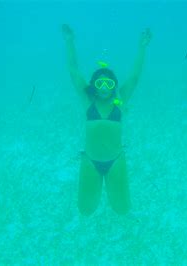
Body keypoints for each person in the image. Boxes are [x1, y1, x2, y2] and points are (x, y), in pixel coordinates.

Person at [62, 24, 152, 215]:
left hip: (116, 160)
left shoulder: (120, 100)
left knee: (123, 210)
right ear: (94, 85)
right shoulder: (88, 101)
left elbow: (135, 77)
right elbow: (73, 70)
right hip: (90, 161)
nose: (104, 87)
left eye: (109, 83)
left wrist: (142, 47)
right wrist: (70, 41)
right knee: (85, 210)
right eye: (100, 83)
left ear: (114, 86)